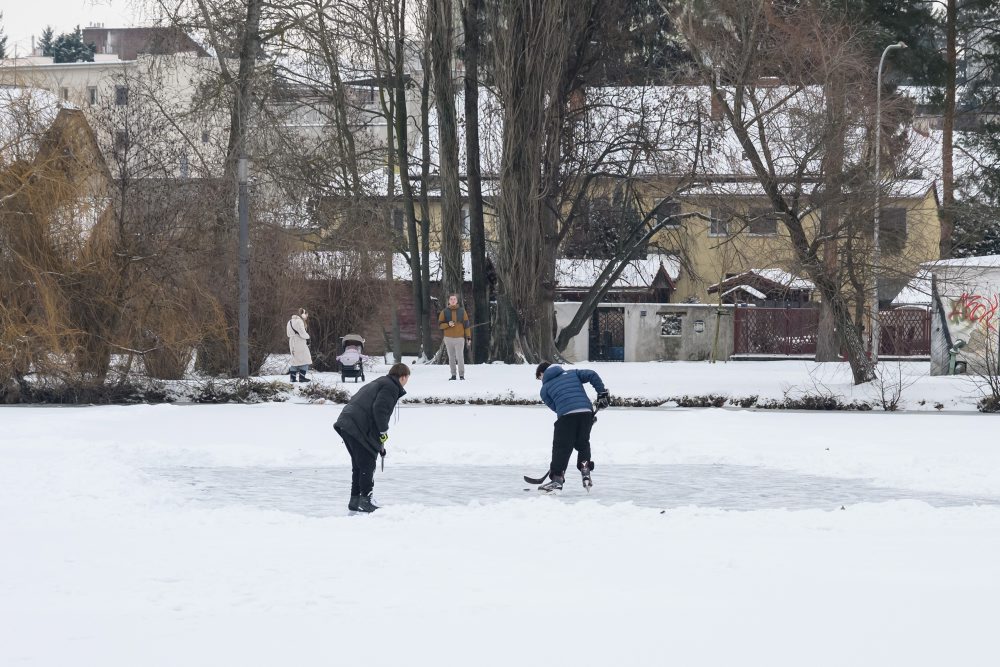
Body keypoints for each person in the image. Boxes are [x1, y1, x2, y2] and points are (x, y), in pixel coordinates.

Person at [334, 362, 411, 512]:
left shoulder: (381, 382)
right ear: (403, 377)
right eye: (407, 378)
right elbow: (380, 410)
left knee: (359, 464)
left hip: (347, 423)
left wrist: (380, 442)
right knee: (367, 463)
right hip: (356, 425)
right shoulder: (390, 387)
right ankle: (365, 500)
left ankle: (355, 500)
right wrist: (383, 431)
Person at [535, 362, 610, 492]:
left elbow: (556, 408)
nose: (540, 380)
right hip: (586, 412)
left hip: (566, 416)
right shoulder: (573, 373)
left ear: (542, 373)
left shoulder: (544, 389)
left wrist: (570, 426)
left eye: (539, 377)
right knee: (582, 443)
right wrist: (602, 393)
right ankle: (585, 470)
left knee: (561, 447)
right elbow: (592, 374)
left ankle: (557, 479)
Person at [438, 293, 471, 380]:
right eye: (451, 299)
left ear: (457, 301)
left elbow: (467, 325)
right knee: (451, 357)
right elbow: (440, 325)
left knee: (460, 357)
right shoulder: (444, 312)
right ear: (449, 301)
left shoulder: (462, 311)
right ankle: (453, 375)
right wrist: (448, 324)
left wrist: (468, 337)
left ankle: (461, 375)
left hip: (460, 338)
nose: (453, 301)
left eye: (454, 299)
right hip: (448, 339)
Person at [287, 309, 312, 382]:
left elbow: (288, 334)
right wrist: (308, 337)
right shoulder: (299, 321)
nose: (306, 317)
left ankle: (293, 378)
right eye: (306, 315)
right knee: (305, 359)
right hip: (299, 342)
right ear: (303, 315)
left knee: (295, 360)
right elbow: (302, 333)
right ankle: (302, 377)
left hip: (292, 342)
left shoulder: (290, 321)